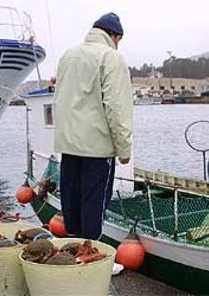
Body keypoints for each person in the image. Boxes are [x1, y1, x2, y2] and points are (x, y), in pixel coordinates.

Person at [54, 13, 133, 239]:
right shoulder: (111, 58)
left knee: (71, 202)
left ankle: (73, 249)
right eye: (119, 40)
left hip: (69, 146)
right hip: (97, 148)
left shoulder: (68, 56)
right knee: (94, 204)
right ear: (115, 36)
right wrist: (124, 149)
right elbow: (117, 108)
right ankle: (90, 257)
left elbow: (60, 99)